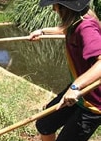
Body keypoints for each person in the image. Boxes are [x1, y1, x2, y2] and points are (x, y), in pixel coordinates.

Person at [29, 0, 101, 141]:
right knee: (45, 124)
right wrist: (42, 31)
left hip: (92, 101)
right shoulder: (76, 22)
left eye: (54, 4)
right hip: (78, 93)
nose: (53, 9)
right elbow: (65, 28)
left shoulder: (86, 28)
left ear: (65, 8)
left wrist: (76, 86)